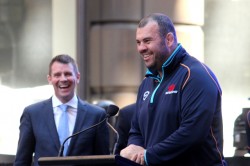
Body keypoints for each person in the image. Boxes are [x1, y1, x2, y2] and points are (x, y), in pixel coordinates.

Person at [120, 13, 227, 166]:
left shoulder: (195, 76)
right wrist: (134, 146)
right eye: (138, 42)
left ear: (169, 39)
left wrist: (148, 155)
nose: (141, 48)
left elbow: (192, 134)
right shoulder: (147, 82)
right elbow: (136, 129)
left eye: (147, 41)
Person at [14, 54, 110, 166]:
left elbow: (103, 161)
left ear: (78, 77)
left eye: (68, 74)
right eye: (57, 75)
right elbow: (22, 161)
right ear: (50, 79)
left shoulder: (96, 115)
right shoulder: (32, 114)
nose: (63, 79)